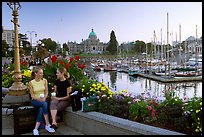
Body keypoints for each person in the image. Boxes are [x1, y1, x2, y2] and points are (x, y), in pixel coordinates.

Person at [28, 66, 55, 135]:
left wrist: (44, 98)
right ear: (35, 73)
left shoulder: (44, 81)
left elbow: (46, 92)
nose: (41, 75)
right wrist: (39, 99)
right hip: (35, 100)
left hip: (43, 99)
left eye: (42, 73)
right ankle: (47, 124)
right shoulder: (31, 83)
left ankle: (36, 128)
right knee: (44, 104)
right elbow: (32, 95)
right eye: (40, 73)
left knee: (42, 108)